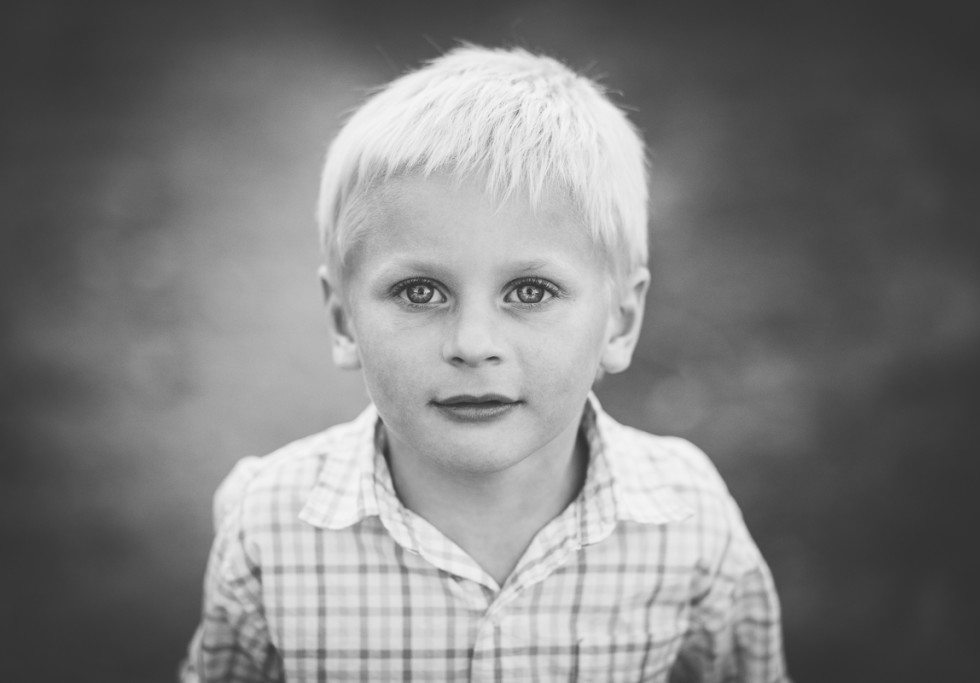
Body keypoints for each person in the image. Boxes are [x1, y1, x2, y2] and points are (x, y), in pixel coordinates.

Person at [180, 44, 789, 682]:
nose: (472, 343)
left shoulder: (688, 519)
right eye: (420, 292)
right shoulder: (269, 526)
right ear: (342, 321)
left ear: (621, 320)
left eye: (530, 292)